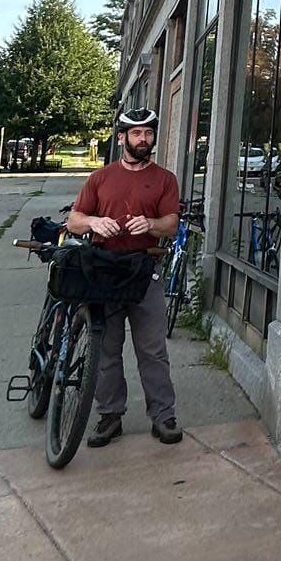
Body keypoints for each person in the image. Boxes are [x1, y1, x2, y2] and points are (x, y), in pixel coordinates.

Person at [68, 106, 183, 448]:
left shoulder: (165, 179)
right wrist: (93, 222)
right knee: (106, 348)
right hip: (105, 269)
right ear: (122, 138)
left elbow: (171, 223)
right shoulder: (101, 178)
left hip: (144, 268)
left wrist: (151, 225)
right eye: (136, 134)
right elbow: (74, 219)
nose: (143, 139)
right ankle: (110, 416)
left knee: (152, 348)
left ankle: (163, 416)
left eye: (147, 133)